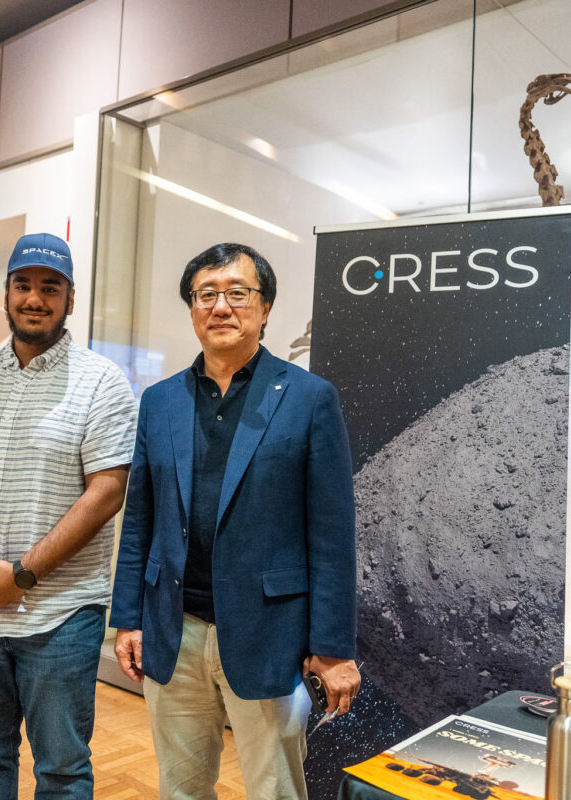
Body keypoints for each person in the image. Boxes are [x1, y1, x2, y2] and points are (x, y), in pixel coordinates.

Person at [108, 242, 360, 800]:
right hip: (175, 629)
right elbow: (140, 520)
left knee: (276, 790)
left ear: (265, 308)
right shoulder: (160, 401)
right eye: (206, 295)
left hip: (270, 635)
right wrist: (128, 617)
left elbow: (333, 537)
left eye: (237, 293)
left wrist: (334, 646)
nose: (221, 306)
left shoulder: (309, 398)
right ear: (193, 309)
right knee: (182, 788)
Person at [0, 232, 136, 799]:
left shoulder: (102, 382)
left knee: (62, 769)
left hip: (58, 615)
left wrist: (22, 574)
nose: (34, 298)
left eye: (50, 287)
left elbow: (106, 491)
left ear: (69, 298)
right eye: (24, 285)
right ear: (7, 293)